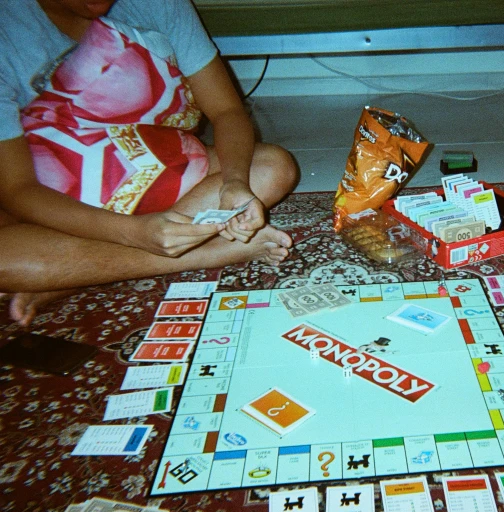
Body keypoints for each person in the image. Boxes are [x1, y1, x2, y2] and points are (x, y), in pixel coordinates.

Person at [0, 0, 299, 327]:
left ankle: (75, 271)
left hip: (164, 172)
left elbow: (227, 111)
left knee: (272, 167)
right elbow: (18, 188)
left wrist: (235, 183)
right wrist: (133, 234)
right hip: (58, 200)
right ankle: (204, 253)